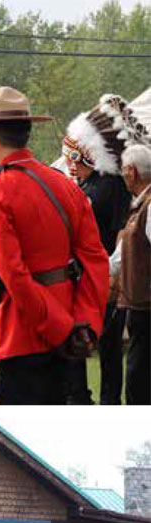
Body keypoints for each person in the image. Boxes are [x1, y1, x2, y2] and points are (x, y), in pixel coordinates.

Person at [0, 87, 109, 405]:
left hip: (19, 334)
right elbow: (96, 261)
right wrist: (83, 324)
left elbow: (13, 274)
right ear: (27, 131)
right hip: (70, 334)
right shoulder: (67, 187)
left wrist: (57, 328)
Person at [62, 95, 136, 404]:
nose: (70, 164)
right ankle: (78, 396)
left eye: (73, 158)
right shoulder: (81, 187)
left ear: (87, 155)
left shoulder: (112, 186)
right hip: (79, 276)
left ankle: (108, 400)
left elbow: (121, 231)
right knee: (77, 336)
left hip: (104, 274)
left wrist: (115, 276)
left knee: (107, 344)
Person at [114, 144, 151, 405]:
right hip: (139, 305)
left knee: (139, 381)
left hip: (147, 307)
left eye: (124, 169)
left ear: (133, 172)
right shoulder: (139, 207)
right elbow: (118, 258)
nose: (122, 174)